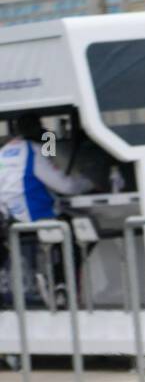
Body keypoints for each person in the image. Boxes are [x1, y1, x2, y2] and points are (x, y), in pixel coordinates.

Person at [0, 114, 91, 306]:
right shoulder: (36, 148)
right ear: (34, 128)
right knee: (83, 230)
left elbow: (50, 159)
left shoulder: (6, 150)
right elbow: (64, 185)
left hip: (9, 219)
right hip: (35, 217)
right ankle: (61, 284)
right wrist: (89, 184)